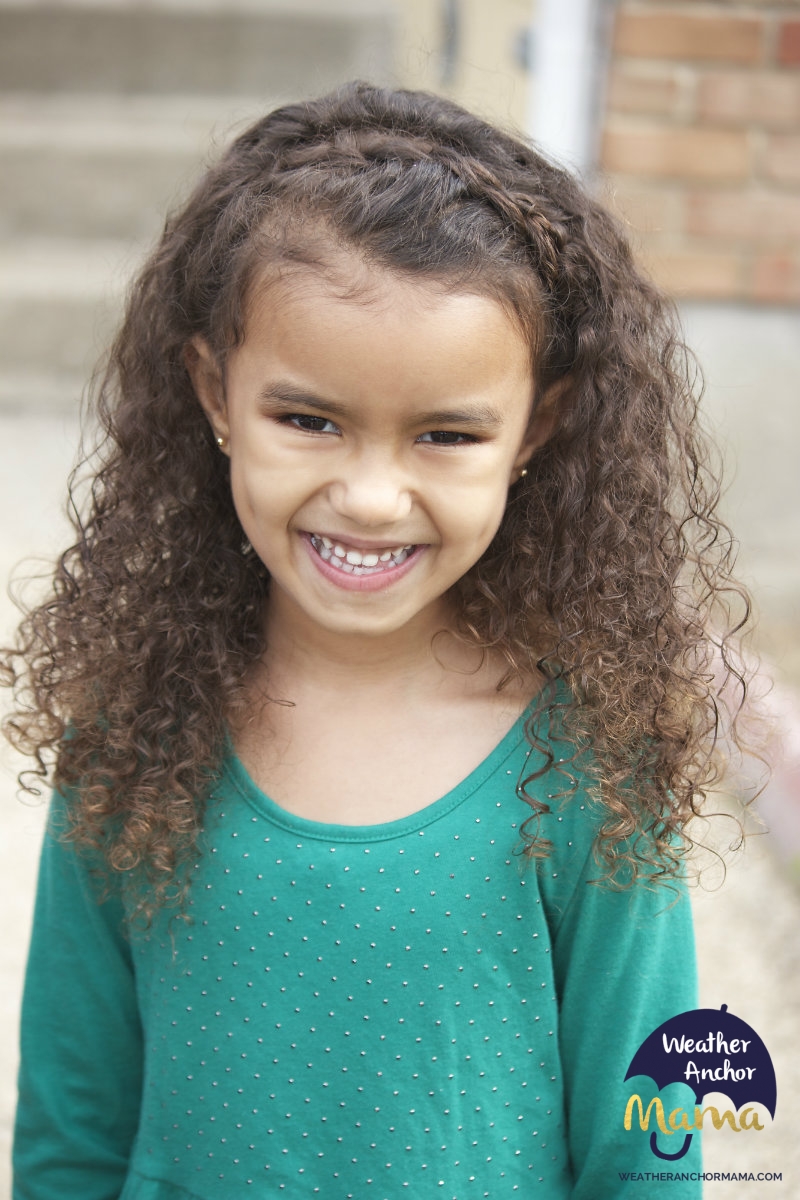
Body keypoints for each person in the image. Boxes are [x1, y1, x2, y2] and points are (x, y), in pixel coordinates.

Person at [4, 82, 750, 1199]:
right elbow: (70, 1130)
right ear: (215, 392)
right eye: (307, 419)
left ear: (531, 432)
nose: (367, 495)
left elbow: (644, 1157)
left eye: (444, 434)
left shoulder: (586, 764)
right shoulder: (136, 730)